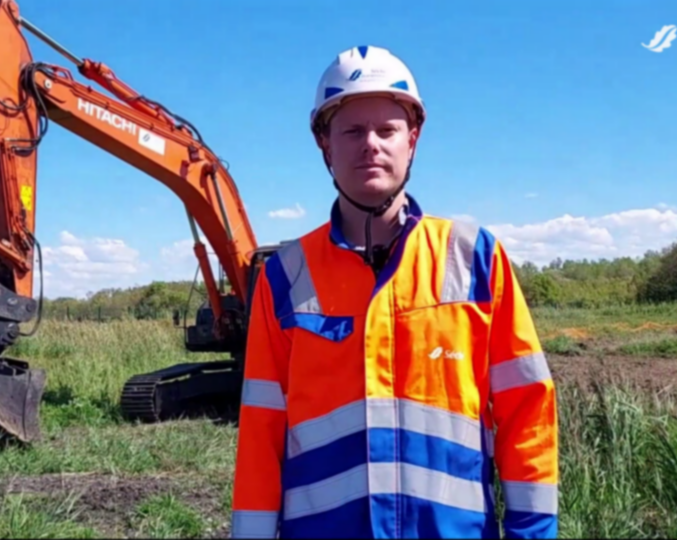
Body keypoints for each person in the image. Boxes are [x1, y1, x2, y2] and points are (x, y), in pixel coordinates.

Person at [229, 45, 559, 539]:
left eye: (387, 130)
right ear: (325, 145)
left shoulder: (475, 258)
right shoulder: (285, 275)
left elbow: (525, 406)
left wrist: (532, 532)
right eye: (352, 131)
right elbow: (261, 428)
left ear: (413, 139)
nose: (371, 145)